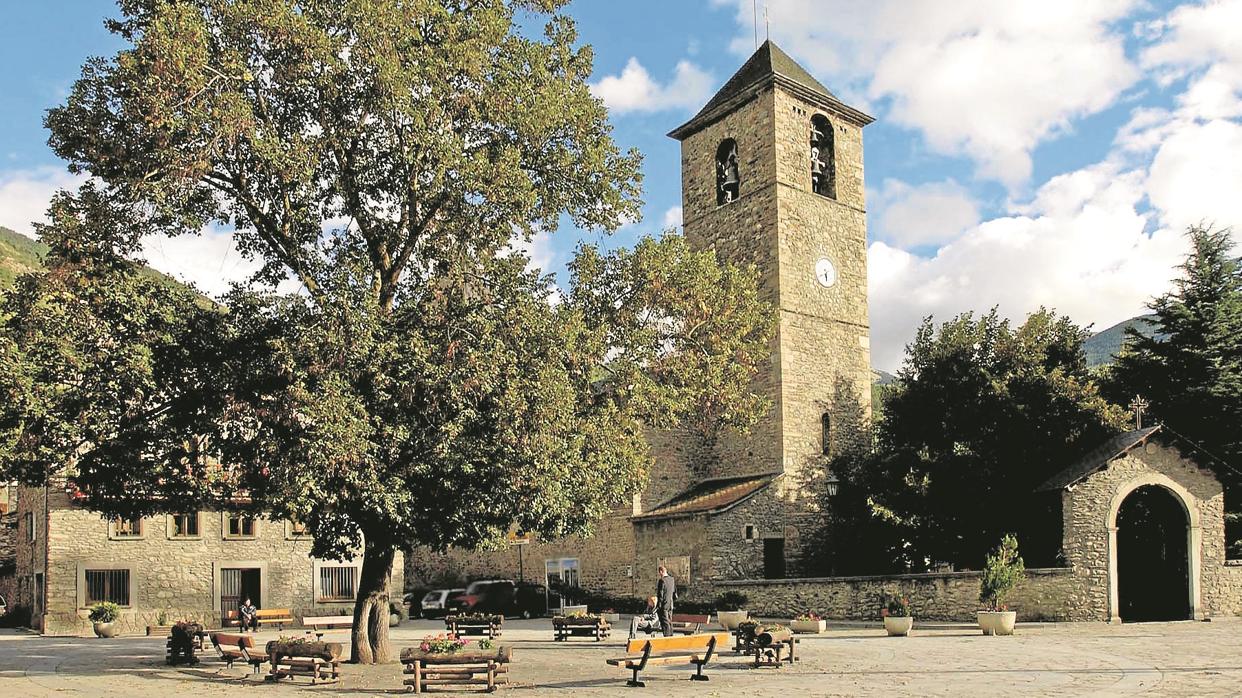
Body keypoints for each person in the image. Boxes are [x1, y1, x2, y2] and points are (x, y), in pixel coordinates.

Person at [655, 565, 676, 637]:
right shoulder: (672, 579)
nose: (659, 575)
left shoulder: (662, 581)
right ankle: (671, 636)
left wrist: (658, 606)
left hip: (664, 604)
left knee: (665, 622)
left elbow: (660, 595)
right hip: (670, 604)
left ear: (661, 572)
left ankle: (667, 638)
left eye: (659, 573)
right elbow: (674, 592)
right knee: (669, 621)